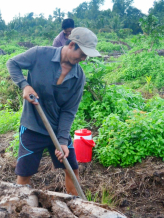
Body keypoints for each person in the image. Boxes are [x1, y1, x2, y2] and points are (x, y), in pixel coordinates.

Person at [6, 27, 101, 195]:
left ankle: (77, 209)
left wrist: (62, 140)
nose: (84, 58)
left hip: (57, 130)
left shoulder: (79, 77)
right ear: (72, 44)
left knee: (72, 169)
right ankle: (20, 209)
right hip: (32, 126)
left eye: (87, 55)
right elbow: (12, 63)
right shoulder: (39, 54)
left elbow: (69, 110)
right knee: (25, 173)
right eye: (83, 53)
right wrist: (25, 85)